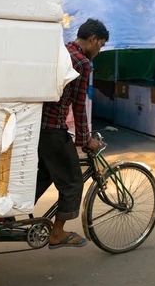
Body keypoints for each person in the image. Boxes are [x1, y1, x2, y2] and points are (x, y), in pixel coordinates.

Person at [35, 18, 109, 249]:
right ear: (93, 39)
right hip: (53, 130)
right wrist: (85, 140)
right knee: (74, 182)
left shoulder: (62, 51)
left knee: (45, 175)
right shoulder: (81, 62)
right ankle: (57, 234)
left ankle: (9, 216)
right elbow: (78, 106)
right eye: (100, 45)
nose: (99, 51)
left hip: (37, 128)